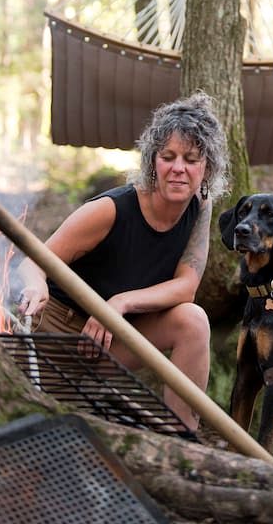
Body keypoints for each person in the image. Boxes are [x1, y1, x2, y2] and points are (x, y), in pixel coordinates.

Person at [18, 91, 229, 431]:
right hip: (55, 332)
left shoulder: (199, 207)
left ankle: (181, 443)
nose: (178, 168)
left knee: (193, 320)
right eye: (168, 156)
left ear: (207, 169)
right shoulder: (111, 210)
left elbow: (186, 287)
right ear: (152, 162)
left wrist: (119, 304)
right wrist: (35, 284)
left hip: (108, 339)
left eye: (191, 159)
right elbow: (33, 262)